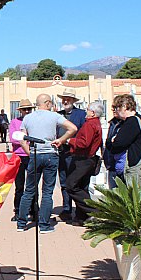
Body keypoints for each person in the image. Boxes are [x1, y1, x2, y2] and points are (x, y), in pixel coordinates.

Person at [16, 94, 77, 234]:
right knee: (47, 191)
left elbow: (21, 138)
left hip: (35, 154)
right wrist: (61, 140)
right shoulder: (54, 116)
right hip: (50, 153)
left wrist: (29, 152)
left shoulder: (27, 118)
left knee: (29, 189)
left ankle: (21, 222)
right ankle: (44, 225)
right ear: (48, 103)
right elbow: (73, 128)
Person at [64, 102, 103, 226]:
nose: (86, 111)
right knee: (81, 186)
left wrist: (69, 140)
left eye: (88, 110)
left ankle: (93, 211)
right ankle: (81, 217)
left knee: (71, 185)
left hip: (83, 159)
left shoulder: (90, 124)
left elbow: (83, 143)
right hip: (88, 159)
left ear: (92, 112)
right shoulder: (95, 124)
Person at [55, 90, 86, 222]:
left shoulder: (81, 114)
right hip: (61, 152)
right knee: (63, 182)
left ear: (74, 101)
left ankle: (81, 211)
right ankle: (67, 209)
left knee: (76, 183)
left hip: (75, 153)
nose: (65, 101)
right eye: (64, 99)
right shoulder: (58, 115)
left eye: (68, 99)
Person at [110, 94, 141, 186]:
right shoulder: (140, 119)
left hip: (135, 168)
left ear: (124, 107)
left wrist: (113, 142)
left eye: (117, 108)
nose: (116, 111)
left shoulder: (132, 121)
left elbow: (118, 144)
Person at [9, 99, 35, 221]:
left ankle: (34, 210)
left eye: (29, 109)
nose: (27, 111)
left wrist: (23, 139)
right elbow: (13, 138)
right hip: (19, 156)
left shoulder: (35, 122)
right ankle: (18, 211)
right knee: (19, 186)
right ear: (20, 111)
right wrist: (26, 140)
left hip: (31, 155)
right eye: (24, 109)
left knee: (32, 184)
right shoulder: (15, 122)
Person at [103, 96, 126, 188]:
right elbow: (108, 142)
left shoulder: (126, 123)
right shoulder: (113, 123)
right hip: (111, 165)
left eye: (116, 107)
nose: (113, 110)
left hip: (121, 165)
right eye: (112, 108)